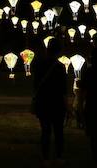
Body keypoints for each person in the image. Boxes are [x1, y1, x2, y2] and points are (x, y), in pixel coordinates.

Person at [33, 37, 68, 165]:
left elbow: (36, 84)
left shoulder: (39, 65)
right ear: (58, 51)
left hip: (43, 101)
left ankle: (45, 157)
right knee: (59, 131)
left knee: (45, 131)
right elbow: (63, 89)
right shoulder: (60, 67)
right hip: (57, 102)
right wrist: (67, 106)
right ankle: (59, 156)